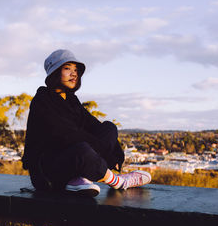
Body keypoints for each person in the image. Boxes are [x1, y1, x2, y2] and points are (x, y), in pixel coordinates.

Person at [22, 49, 151, 196]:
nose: (74, 73)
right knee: (83, 149)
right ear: (54, 72)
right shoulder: (42, 100)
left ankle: (80, 178)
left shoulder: (72, 101)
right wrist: (103, 152)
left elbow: (94, 126)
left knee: (109, 127)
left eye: (76, 70)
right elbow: (65, 135)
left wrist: (115, 149)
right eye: (67, 68)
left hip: (74, 160)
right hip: (47, 170)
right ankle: (118, 182)